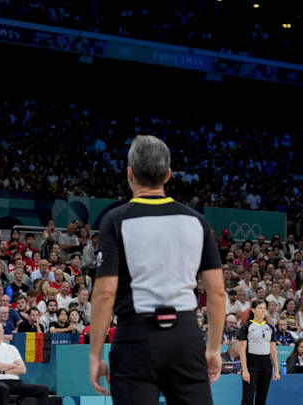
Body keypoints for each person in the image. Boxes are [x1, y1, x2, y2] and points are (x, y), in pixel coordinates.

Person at [89, 135, 226, 405]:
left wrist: (95, 355)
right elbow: (218, 293)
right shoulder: (196, 221)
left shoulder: (116, 220)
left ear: (129, 174)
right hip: (186, 337)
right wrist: (213, 349)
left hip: (136, 339)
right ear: (168, 175)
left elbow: (105, 294)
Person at [0, 322, 49, 405]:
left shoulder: (12, 348)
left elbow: (22, 369)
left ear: (3, 331)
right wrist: (13, 365)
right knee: (3, 388)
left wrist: (4, 371)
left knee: (43, 389)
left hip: (15, 382)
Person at [238, 300, 280, 405]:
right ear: (253, 310)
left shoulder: (270, 328)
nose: (263, 310)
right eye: (260, 308)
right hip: (251, 364)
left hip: (266, 365)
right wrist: (245, 370)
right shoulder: (247, 327)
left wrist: (276, 370)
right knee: (248, 398)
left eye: (264, 308)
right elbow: (242, 350)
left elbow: (273, 351)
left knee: (261, 399)